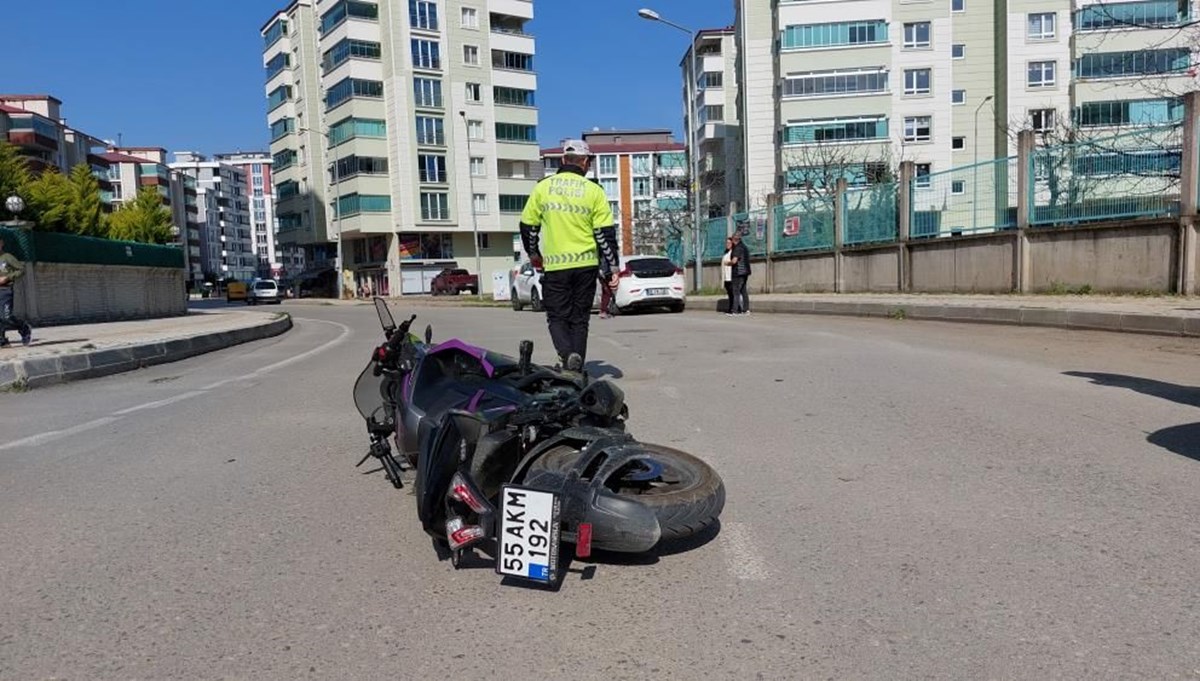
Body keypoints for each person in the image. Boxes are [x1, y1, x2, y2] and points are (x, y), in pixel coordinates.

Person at [519, 139, 620, 371]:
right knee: (580, 319)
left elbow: (528, 226)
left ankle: (567, 356)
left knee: (557, 317)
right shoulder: (594, 191)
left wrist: (534, 254)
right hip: (586, 265)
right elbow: (604, 234)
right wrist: (611, 269)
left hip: (555, 266)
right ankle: (576, 365)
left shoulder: (543, 187)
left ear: (563, 160)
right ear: (585, 163)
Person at [0, 235, 33, 347]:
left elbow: (21, 269)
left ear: (1, 243)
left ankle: (23, 327)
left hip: (5, 290)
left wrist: (7, 277)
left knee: (6, 317)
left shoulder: (7, 257)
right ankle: (2, 340)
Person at [729, 231, 752, 315]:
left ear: (735, 239)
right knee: (743, 291)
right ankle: (746, 310)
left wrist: (728, 263)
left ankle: (734, 311)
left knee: (736, 291)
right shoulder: (744, 247)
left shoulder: (738, 247)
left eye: (732, 239)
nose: (731, 241)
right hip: (745, 272)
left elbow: (734, 261)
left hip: (738, 272)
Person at [720, 237, 734, 316]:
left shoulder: (733, 252)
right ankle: (731, 307)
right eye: (726, 243)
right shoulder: (726, 253)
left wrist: (728, 263)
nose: (727, 244)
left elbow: (733, 262)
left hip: (730, 276)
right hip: (725, 276)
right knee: (729, 293)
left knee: (732, 293)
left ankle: (733, 308)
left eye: (729, 243)